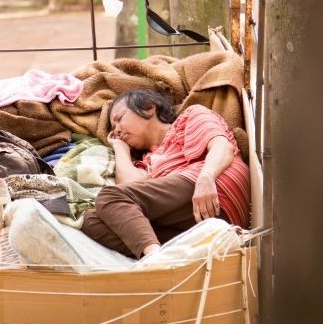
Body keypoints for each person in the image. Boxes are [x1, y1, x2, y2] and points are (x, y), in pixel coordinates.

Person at [81, 89, 250, 259]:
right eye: (113, 127)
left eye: (119, 119)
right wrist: (119, 148)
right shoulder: (147, 161)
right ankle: (162, 254)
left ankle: (155, 259)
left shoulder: (190, 116)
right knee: (91, 221)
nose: (116, 130)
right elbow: (128, 191)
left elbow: (223, 146)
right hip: (194, 221)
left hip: (216, 188)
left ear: (149, 107)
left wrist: (206, 178)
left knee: (108, 196)